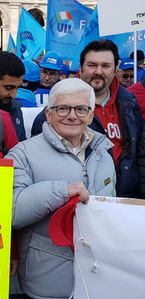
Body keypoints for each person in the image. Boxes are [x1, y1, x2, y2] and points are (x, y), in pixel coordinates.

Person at [5, 78, 116, 299]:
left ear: (90, 114)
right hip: (46, 283)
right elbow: (12, 211)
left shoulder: (103, 152)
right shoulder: (22, 154)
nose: (72, 116)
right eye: (63, 108)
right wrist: (61, 190)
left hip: (96, 278)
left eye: (80, 109)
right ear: (49, 114)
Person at [31, 40, 144, 198]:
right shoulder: (54, 112)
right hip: (77, 202)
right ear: (81, 68)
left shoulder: (130, 104)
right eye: (92, 65)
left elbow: (139, 155)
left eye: (105, 66)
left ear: (116, 68)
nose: (98, 71)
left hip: (124, 201)